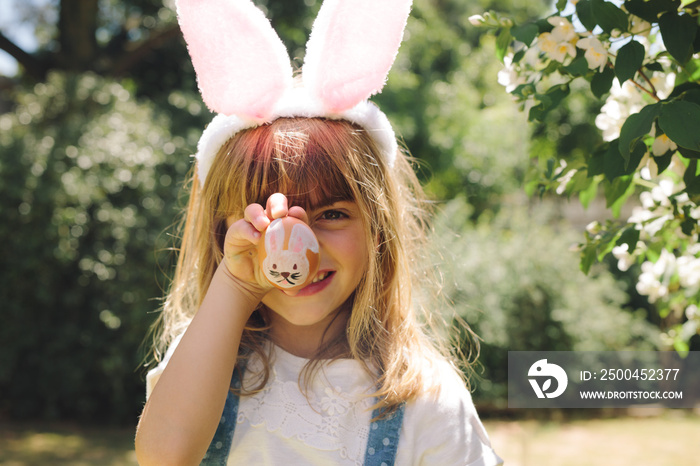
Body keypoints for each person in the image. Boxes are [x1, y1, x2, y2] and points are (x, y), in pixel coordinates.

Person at [135, 1, 503, 465]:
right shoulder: (206, 362)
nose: (298, 247)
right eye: (267, 220)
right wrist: (236, 284)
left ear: (378, 228)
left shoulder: (425, 398)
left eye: (331, 214)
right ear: (223, 233)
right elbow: (165, 456)